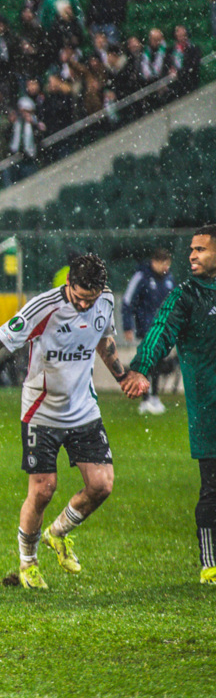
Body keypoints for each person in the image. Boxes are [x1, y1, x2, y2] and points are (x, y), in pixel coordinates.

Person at [0, 254, 129, 590]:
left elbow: (104, 340)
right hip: (41, 413)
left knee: (102, 485)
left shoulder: (104, 301)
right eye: (81, 297)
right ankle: (27, 563)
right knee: (43, 489)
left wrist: (122, 376)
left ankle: (57, 533)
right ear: (68, 284)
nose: (86, 305)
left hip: (84, 410)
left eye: (92, 298)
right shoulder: (43, 307)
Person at [123, 226, 216, 583]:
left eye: (201, 250)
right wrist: (141, 368)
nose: (192, 255)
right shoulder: (186, 295)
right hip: (208, 409)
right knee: (212, 487)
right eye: (191, 249)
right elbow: (159, 332)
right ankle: (210, 563)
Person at [123, 247, 178, 414]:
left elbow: (175, 303)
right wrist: (128, 326)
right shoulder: (142, 277)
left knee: (158, 364)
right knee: (147, 364)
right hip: (147, 328)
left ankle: (154, 397)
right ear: (154, 262)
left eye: (167, 264)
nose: (165, 268)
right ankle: (146, 399)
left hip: (163, 329)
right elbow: (127, 301)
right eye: (162, 264)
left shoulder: (169, 279)